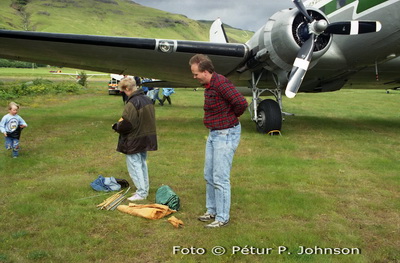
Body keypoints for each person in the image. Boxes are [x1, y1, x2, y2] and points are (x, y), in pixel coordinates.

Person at [189, 54, 248, 228]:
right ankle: (212, 210)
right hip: (214, 134)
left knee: (220, 177)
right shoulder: (209, 85)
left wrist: (230, 118)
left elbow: (241, 103)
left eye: (196, 73)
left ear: (206, 71)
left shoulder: (221, 83)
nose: (194, 77)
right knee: (209, 174)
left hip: (226, 134)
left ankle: (222, 218)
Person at [112, 77, 157, 201]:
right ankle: (144, 190)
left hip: (135, 139)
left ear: (128, 88)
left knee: (135, 166)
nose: (123, 92)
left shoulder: (132, 103)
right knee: (142, 165)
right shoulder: (147, 99)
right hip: (145, 137)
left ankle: (141, 193)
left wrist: (116, 126)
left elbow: (127, 124)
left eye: (123, 90)